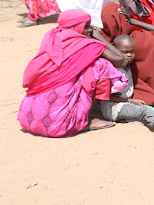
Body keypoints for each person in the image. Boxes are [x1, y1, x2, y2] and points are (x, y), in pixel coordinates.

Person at [17, 10, 129, 138]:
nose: (90, 30)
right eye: (86, 26)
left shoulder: (53, 36)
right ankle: (85, 120)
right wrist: (99, 37)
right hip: (59, 125)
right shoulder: (85, 44)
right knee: (100, 66)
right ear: (76, 26)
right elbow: (121, 60)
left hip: (29, 119)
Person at [98, 35, 154, 140]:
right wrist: (130, 100)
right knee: (145, 111)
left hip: (123, 103)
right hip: (112, 107)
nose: (129, 55)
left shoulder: (127, 66)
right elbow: (105, 97)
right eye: (125, 52)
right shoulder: (111, 70)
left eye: (132, 52)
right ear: (115, 50)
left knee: (149, 108)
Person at [99, 2, 154, 115]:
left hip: (113, 94)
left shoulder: (102, 39)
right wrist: (133, 21)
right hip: (140, 89)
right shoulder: (134, 38)